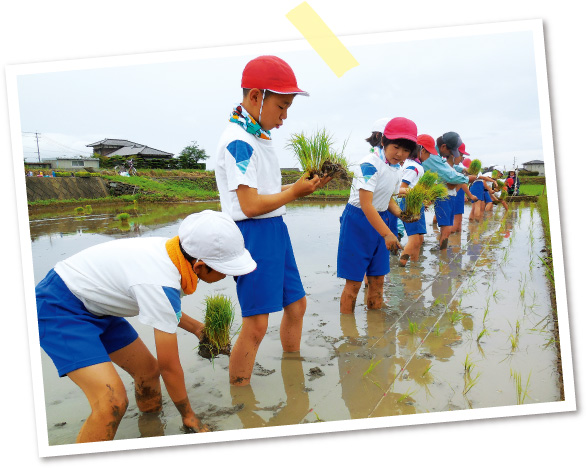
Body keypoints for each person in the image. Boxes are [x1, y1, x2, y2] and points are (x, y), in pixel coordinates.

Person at [35, 210, 257, 442]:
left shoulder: (173, 254)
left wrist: (197, 329)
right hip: (60, 306)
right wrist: (188, 415)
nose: (231, 275)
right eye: (227, 269)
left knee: (147, 373)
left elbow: (162, 306)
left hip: (98, 304)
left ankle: (150, 430)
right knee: (112, 401)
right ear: (200, 266)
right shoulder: (159, 279)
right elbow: (169, 366)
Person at [214, 55, 331, 387]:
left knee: (296, 304)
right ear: (255, 97)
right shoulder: (239, 141)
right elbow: (249, 205)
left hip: (274, 229)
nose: (284, 116)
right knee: (256, 324)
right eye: (281, 106)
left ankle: (291, 368)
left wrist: (298, 188)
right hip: (253, 234)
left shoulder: (256, 136)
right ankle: (240, 392)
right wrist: (293, 193)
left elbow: (262, 192)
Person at [337, 117, 415, 314]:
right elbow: (366, 204)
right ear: (383, 142)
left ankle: (375, 326)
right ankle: (349, 334)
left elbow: (387, 199)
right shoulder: (369, 165)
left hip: (381, 220)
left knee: (378, 280)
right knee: (354, 284)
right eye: (396, 147)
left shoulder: (396, 168)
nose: (400, 154)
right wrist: (387, 234)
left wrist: (402, 215)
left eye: (406, 150)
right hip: (359, 221)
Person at [419, 131, 476, 250]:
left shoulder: (438, 157)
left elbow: (447, 168)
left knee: (442, 227)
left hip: (444, 196)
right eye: (451, 152)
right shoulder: (432, 156)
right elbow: (449, 176)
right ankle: (441, 254)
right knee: (442, 227)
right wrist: (466, 178)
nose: (451, 155)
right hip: (441, 196)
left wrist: (464, 171)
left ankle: (439, 251)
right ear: (444, 146)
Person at [397, 134, 434, 266]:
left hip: (415, 203)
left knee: (418, 239)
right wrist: (417, 196)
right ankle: (402, 264)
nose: (429, 157)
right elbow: (401, 189)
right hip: (410, 204)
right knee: (414, 239)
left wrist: (422, 200)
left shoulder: (414, 165)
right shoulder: (413, 167)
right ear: (422, 150)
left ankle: (414, 266)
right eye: (429, 153)